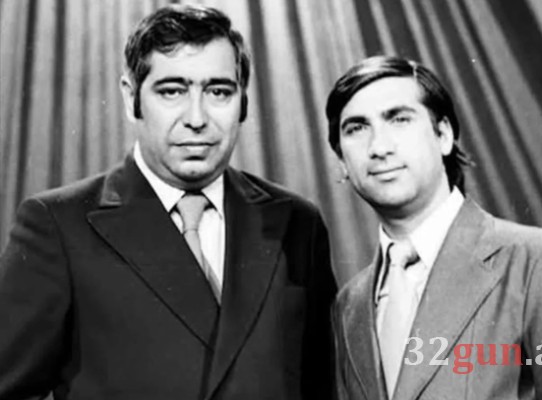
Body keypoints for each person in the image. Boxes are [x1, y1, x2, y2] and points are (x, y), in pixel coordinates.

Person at [0, 5, 337, 399]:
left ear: (243, 101)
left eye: (218, 92)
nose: (197, 118)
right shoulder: (58, 224)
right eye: (172, 91)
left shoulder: (297, 223)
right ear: (131, 97)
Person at [326, 56, 542, 399]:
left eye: (399, 119)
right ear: (342, 161)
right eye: (356, 128)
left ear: (443, 135)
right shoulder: (348, 304)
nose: (379, 147)